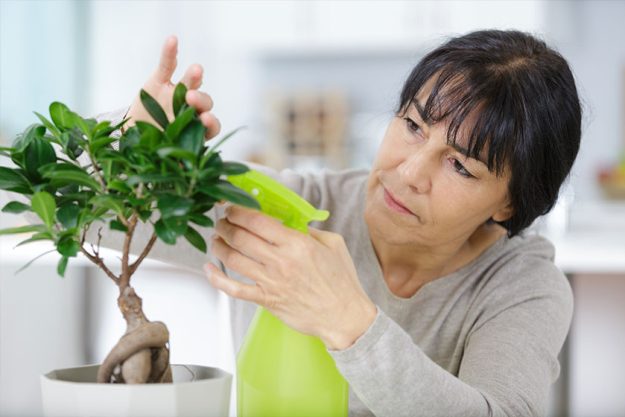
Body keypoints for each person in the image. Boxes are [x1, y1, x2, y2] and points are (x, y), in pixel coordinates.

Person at [102, 30, 581, 416]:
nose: (409, 174)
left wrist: (348, 321)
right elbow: (86, 215)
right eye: (413, 127)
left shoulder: (523, 285)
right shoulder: (293, 208)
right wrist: (127, 147)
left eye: (460, 166)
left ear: (510, 204)